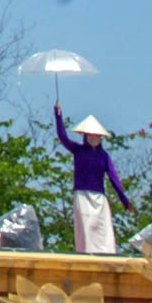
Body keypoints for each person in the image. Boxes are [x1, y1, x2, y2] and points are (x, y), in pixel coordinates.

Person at [54, 104, 131, 253]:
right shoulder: (78, 150)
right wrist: (58, 116)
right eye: (91, 135)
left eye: (97, 135)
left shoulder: (104, 156)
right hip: (82, 195)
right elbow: (63, 137)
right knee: (86, 228)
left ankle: (107, 254)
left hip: (99, 198)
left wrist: (125, 200)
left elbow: (114, 179)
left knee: (103, 229)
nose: (94, 138)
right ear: (85, 136)